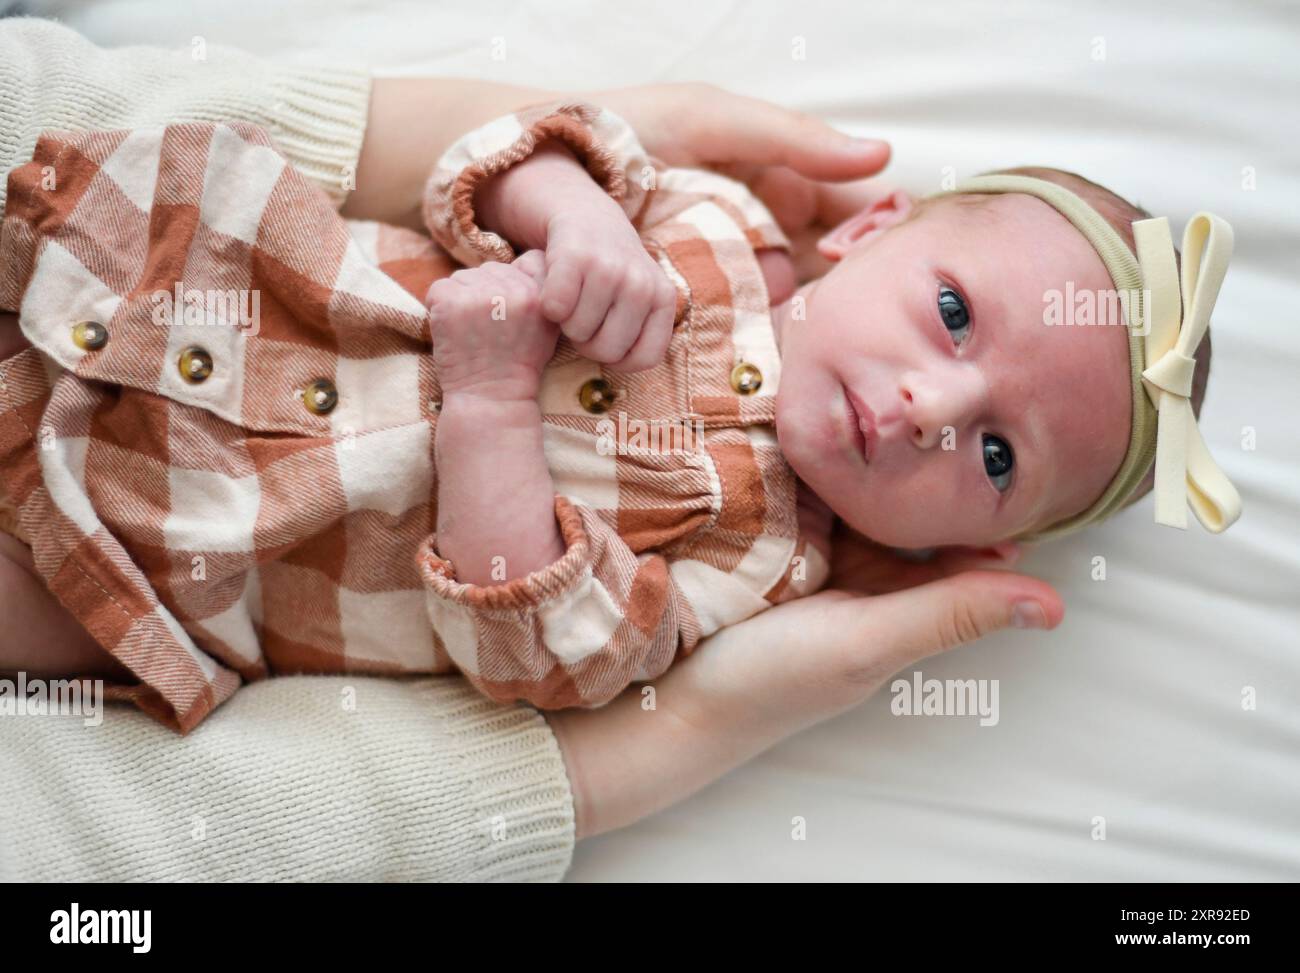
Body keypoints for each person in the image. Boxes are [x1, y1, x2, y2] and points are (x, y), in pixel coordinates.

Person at [0, 16, 1062, 881]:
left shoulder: (766, 566)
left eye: (1001, 457)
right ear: (870, 230)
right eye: (956, 313)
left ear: (978, 543)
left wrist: (494, 403)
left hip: (159, 560)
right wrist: (566, 208)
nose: (938, 408)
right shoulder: (714, 217)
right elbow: (487, 159)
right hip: (179, 284)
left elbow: (543, 648)